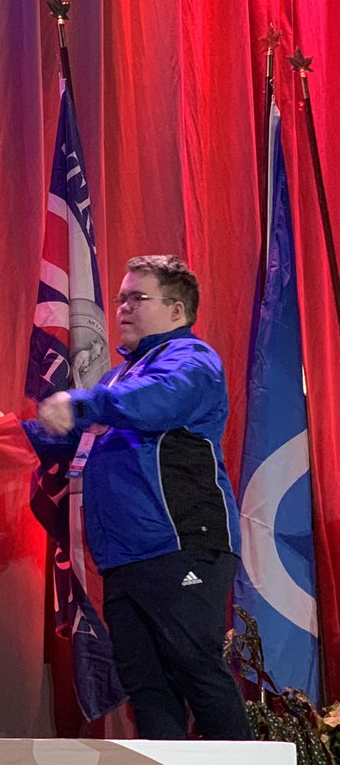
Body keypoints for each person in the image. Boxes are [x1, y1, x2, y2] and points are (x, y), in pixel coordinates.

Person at [26, 255, 251, 740]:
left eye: (137, 298)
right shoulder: (115, 379)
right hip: (125, 556)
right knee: (146, 687)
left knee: (196, 668)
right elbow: (71, 440)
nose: (122, 308)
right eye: (121, 298)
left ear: (176, 311)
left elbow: (155, 402)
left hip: (180, 544)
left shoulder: (191, 360)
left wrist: (80, 403)